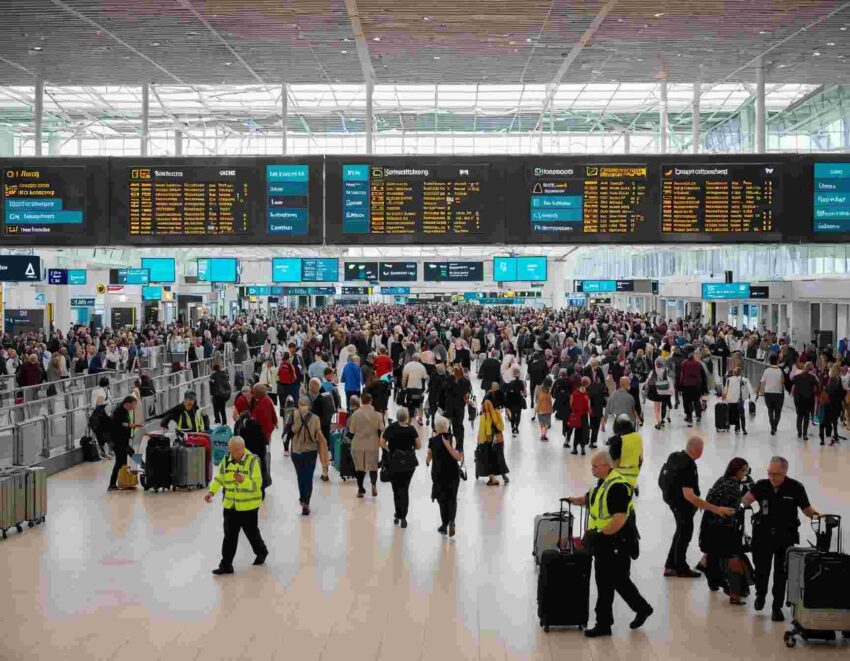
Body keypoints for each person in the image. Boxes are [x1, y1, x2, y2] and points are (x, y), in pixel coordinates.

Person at [564, 451, 653, 638]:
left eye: (595, 466)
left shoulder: (618, 486)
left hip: (614, 543)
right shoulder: (604, 482)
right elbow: (592, 500)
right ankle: (636, 610)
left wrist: (600, 537)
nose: (592, 470)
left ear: (606, 466)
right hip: (606, 541)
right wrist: (574, 500)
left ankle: (605, 623)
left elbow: (619, 520)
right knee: (615, 581)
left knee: (608, 582)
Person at [742, 456, 820, 622]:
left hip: (785, 537)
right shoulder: (761, 486)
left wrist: (821, 518)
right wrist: (736, 505)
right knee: (761, 570)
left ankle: (776, 607)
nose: (772, 477)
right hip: (762, 536)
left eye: (776, 474)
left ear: (785, 472)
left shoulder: (795, 488)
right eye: (769, 473)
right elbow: (745, 501)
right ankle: (760, 595)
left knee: (781, 574)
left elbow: (807, 510)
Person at [661, 436, 735, 578]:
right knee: (684, 535)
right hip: (682, 506)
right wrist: (716, 509)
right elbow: (689, 496)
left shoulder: (675, 456)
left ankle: (671, 565)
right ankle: (681, 568)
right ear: (698, 450)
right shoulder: (688, 465)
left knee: (680, 532)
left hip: (672, 502)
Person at [204, 436, 268, 574]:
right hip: (231, 505)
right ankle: (226, 564)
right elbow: (219, 478)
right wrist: (212, 491)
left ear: (244, 447)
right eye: (233, 450)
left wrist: (243, 480)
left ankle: (262, 551)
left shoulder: (252, 461)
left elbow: (257, 485)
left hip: (248, 506)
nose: (237, 453)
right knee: (229, 535)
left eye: (239, 449)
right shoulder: (226, 461)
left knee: (251, 532)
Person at [697, 457, 752, 605]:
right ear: (736, 470)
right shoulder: (733, 487)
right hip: (724, 529)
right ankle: (735, 595)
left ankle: (712, 580)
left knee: (714, 556)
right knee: (733, 559)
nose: (745, 473)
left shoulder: (721, 480)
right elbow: (735, 509)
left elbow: (710, 500)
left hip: (709, 526)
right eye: (743, 470)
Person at [380, 408, 421, 528]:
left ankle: (398, 514)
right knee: (405, 489)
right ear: (407, 417)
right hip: (408, 464)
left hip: (394, 462)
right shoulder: (411, 429)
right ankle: (403, 516)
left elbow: (382, 443)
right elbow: (419, 446)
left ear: (397, 417)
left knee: (396, 489)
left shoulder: (391, 428)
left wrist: (389, 450)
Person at [289, 395, 330, 515]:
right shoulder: (315, 418)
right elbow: (318, 434)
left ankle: (302, 498)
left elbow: (287, 431)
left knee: (300, 476)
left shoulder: (293, 415)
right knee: (308, 477)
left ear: (298, 405)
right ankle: (306, 501)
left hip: (296, 451)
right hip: (310, 451)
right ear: (309, 405)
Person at [426, 416, 463, 537]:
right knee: (452, 498)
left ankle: (444, 525)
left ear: (436, 427)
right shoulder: (452, 438)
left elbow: (429, 457)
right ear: (447, 427)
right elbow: (459, 456)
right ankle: (452, 521)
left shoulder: (432, 440)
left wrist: (427, 461)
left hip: (438, 473)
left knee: (442, 499)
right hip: (452, 472)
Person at [348, 392, 385, 498]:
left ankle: (360, 490)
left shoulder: (355, 414)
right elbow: (382, 428)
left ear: (361, 401)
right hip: (372, 443)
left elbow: (352, 430)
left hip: (358, 443)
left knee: (360, 468)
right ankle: (373, 485)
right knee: (373, 466)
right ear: (371, 401)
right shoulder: (378, 415)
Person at [107, 396, 142, 492]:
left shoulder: (124, 410)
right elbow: (119, 424)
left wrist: (131, 426)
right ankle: (112, 484)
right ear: (128, 403)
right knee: (120, 462)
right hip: (118, 441)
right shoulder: (119, 411)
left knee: (125, 460)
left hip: (122, 440)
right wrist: (131, 425)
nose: (134, 407)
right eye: (134, 404)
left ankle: (125, 481)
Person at [477, 399, 509, 486]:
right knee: (499, 457)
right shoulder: (496, 413)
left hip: (489, 441)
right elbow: (501, 427)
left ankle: (493, 477)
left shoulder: (484, 416)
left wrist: (480, 440)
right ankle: (503, 475)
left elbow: (483, 431)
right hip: (498, 439)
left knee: (491, 459)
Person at [607, 414, 642, 490]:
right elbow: (640, 459)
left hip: (619, 475)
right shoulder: (638, 437)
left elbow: (615, 462)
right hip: (634, 473)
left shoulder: (617, 440)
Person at [758, 354, 785, 435]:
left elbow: (762, 382)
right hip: (778, 393)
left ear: (769, 361)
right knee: (778, 412)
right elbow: (782, 382)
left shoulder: (766, 371)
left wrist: (761, 392)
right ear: (777, 361)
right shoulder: (780, 371)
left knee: (770, 410)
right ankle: (774, 426)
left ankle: (772, 426)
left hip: (768, 393)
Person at [723, 366, 755, 435]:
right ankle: (743, 429)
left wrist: (724, 398)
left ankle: (731, 426)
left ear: (734, 373)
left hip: (731, 399)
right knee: (741, 414)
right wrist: (752, 399)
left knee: (731, 413)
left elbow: (725, 390)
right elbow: (751, 390)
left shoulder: (729, 379)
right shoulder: (745, 380)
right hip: (740, 400)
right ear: (741, 372)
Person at [791, 362, 819, 440]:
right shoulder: (813, 378)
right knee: (806, 418)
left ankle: (799, 433)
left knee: (799, 417)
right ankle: (804, 434)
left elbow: (794, 386)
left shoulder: (797, 377)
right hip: (808, 400)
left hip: (799, 400)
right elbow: (815, 389)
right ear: (811, 369)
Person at [677, 350, 704, 427]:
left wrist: (680, 385)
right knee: (697, 401)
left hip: (686, 385)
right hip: (696, 385)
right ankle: (698, 416)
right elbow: (701, 375)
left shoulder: (684, 363)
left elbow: (682, 375)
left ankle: (689, 417)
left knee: (687, 401)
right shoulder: (698, 364)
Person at [819, 364, 843, 446]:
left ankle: (828, 437)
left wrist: (825, 388)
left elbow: (829, 391)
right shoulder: (838, 379)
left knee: (828, 420)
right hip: (836, 403)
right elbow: (840, 392)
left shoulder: (832, 379)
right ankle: (834, 435)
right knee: (834, 420)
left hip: (830, 403)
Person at [646, 357, 673, 430]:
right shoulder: (666, 370)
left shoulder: (653, 371)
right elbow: (671, 380)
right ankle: (662, 419)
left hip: (655, 391)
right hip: (664, 390)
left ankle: (658, 422)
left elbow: (648, 380)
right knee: (662, 406)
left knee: (656, 407)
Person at [90, 375, 112, 458]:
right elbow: (99, 403)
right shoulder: (102, 392)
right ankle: (105, 452)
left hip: (97, 414)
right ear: (106, 384)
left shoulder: (97, 391)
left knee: (98, 433)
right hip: (101, 415)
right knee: (103, 433)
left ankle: (103, 452)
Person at [568, 376, 592, 455]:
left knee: (577, 431)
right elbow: (589, 406)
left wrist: (574, 410)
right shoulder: (587, 394)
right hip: (584, 416)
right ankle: (583, 448)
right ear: (588, 384)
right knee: (584, 432)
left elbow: (571, 403)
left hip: (577, 415)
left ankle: (575, 448)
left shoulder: (574, 393)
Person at [503, 365, 526, 435]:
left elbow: (506, 391)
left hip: (511, 400)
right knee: (518, 414)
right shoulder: (520, 382)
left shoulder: (509, 382)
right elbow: (523, 391)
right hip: (518, 400)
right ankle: (517, 427)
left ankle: (512, 427)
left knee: (512, 414)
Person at [536, 376, 553, 441]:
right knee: (546, 424)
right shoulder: (548, 393)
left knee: (542, 423)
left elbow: (537, 399)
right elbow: (550, 402)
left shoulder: (539, 391)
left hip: (540, 409)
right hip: (548, 410)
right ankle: (544, 435)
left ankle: (542, 434)